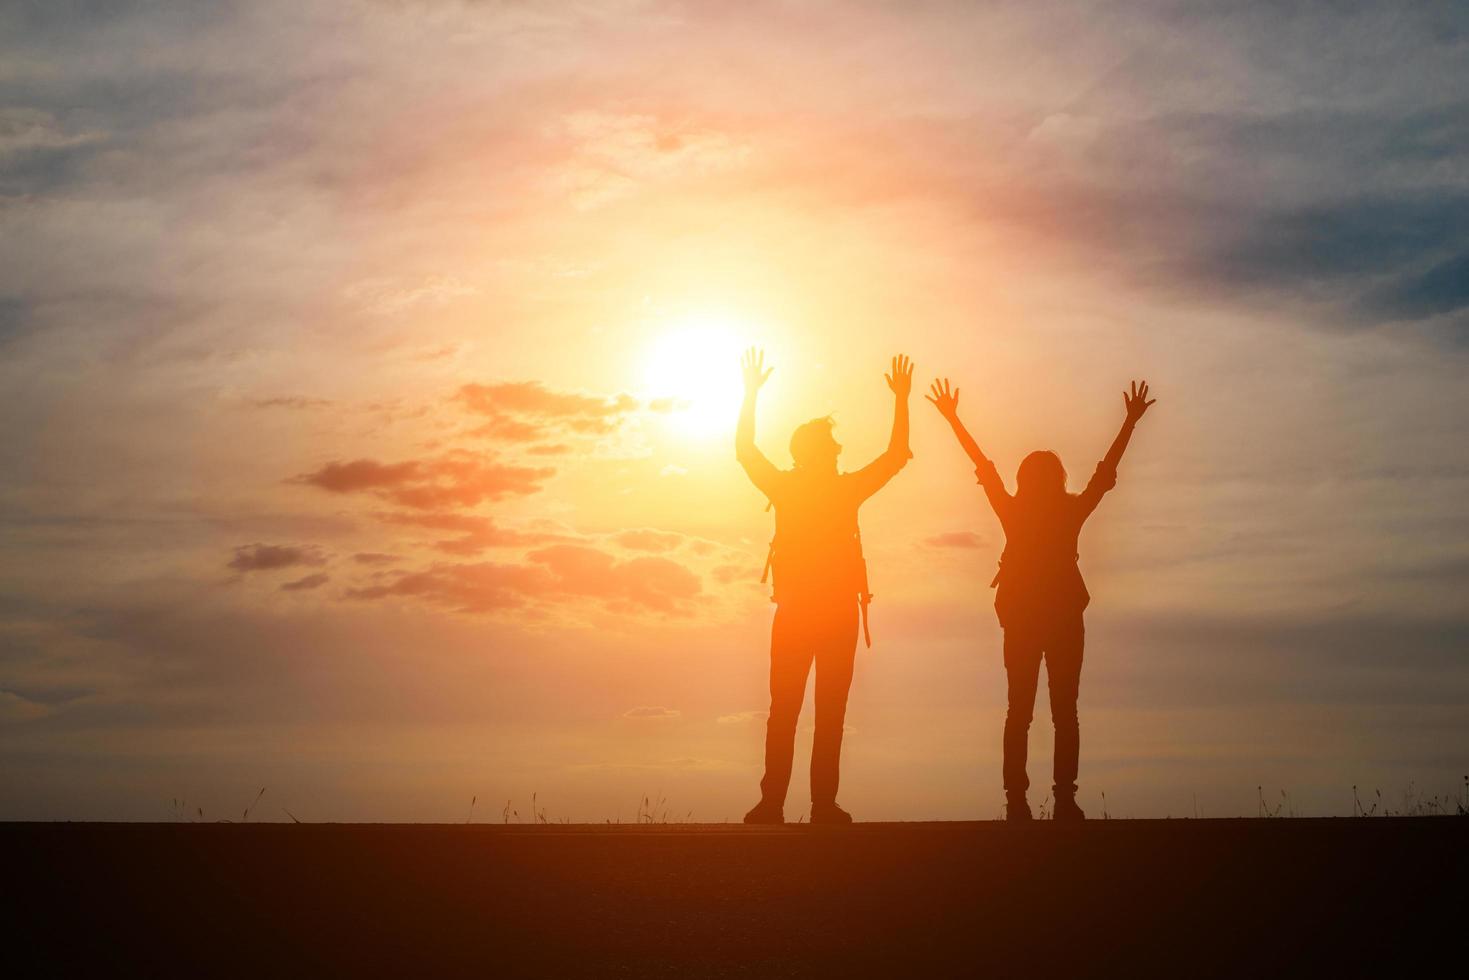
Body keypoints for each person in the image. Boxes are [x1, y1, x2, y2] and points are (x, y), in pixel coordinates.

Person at [927, 377, 1156, 821]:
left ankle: (1020, 801)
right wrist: (1129, 423)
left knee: (1022, 712)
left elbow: (985, 468)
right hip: (1059, 618)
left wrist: (953, 418)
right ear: (1057, 480)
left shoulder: (1015, 511)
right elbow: (1102, 476)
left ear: (1025, 481)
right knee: (1061, 712)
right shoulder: (1068, 512)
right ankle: (1062, 799)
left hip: (1030, 619)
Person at [736, 347, 914, 824]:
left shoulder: (797, 488)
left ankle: (791, 804)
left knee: (795, 712)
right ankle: (805, 804)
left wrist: (750, 395)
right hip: (819, 612)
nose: (837, 454)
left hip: (808, 611)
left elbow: (745, 453)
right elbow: (896, 457)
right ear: (819, 454)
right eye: (832, 449)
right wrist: (901, 401)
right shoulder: (835, 489)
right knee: (810, 712)